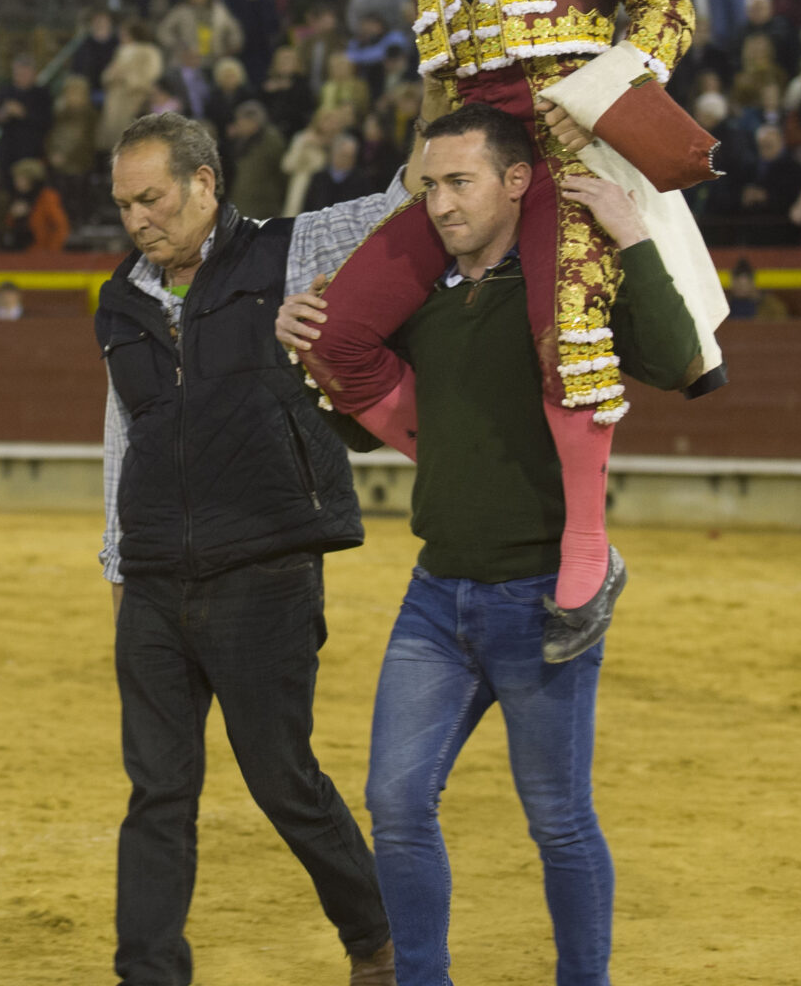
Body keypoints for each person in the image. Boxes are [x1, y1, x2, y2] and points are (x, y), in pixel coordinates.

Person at [220, 0, 719, 648]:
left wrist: (608, 88)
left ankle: (586, 544)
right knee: (337, 332)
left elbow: (665, 4)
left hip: (566, 138)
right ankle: (484, 473)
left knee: (566, 321)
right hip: (457, 149)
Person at [272, 104, 703, 986]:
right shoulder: (430, 304)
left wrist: (631, 237)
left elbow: (672, 354)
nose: (437, 204)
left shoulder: (565, 293)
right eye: (430, 185)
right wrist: (304, 352)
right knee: (395, 801)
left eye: (458, 182)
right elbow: (363, 432)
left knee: (557, 818)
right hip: (437, 594)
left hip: (541, 594)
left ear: (516, 184)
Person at [95, 112, 396, 986]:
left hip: (264, 570)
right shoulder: (121, 297)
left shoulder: (290, 251)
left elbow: (402, 203)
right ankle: (147, 973)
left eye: (151, 199)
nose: (137, 221)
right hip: (156, 582)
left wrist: (440, 78)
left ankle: (372, 935)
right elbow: (123, 432)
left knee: (282, 780)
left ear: (205, 185)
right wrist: (118, 563)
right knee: (158, 793)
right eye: (123, 205)